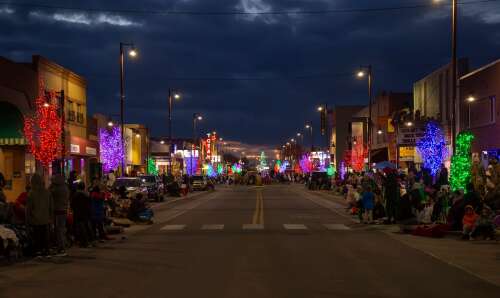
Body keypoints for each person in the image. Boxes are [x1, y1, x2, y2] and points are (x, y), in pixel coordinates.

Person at [26, 174, 53, 257]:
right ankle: (46, 250)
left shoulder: (31, 193)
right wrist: (51, 216)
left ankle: (38, 251)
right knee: (45, 235)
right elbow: (51, 206)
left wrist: (28, 219)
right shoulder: (47, 192)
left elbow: (29, 208)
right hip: (46, 218)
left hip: (35, 219)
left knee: (37, 236)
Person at [49, 174, 70, 256]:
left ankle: (61, 249)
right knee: (61, 229)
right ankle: (61, 247)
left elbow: (49, 193)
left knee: (59, 230)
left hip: (58, 211)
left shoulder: (56, 189)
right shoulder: (65, 187)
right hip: (63, 210)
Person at [71, 182, 93, 247]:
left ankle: (84, 242)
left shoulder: (76, 195)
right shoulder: (87, 195)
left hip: (78, 213)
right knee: (86, 227)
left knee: (81, 228)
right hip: (86, 213)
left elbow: (73, 204)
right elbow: (89, 204)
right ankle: (88, 240)